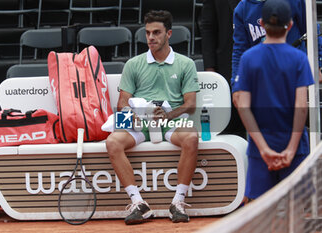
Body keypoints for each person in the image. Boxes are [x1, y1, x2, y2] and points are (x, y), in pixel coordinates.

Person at [105, 10, 200, 225]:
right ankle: (139, 204)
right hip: (140, 122)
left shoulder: (186, 64)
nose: (150, 37)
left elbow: (190, 105)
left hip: (171, 120)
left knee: (192, 138)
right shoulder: (133, 64)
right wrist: (133, 116)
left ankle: (178, 202)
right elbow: (122, 102)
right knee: (112, 142)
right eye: (148, 33)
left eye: (156, 32)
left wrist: (168, 114)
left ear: (169, 34)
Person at [232, 0, 314, 200]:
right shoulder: (299, 58)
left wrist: (264, 149)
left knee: (258, 207)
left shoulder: (248, 58)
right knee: (299, 206)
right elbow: (301, 107)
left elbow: (243, 106)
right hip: (295, 145)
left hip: (261, 147)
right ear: (290, 25)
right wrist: (291, 150)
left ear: (261, 24)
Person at [231, 0, 322, 106]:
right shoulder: (242, 8)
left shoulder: (295, 2)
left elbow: (312, 30)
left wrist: (317, 66)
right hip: (262, 78)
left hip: (292, 73)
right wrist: (236, 84)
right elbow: (239, 50)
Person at [200, 0, 245, 138]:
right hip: (227, 61)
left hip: (261, 58)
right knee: (231, 121)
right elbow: (207, 27)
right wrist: (209, 66)